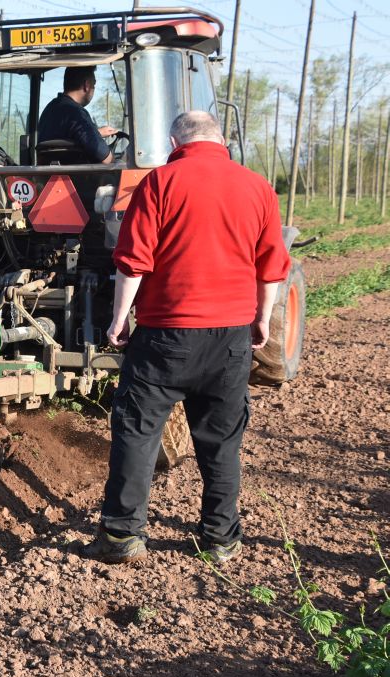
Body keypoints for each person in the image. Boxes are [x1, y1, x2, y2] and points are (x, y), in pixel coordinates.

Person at [82, 111, 290, 565]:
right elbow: (272, 265)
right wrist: (263, 319)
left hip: (163, 339)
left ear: (175, 139)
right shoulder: (258, 188)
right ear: (223, 139)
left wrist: (119, 319)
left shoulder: (158, 184)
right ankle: (219, 540)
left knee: (137, 434)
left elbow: (133, 261)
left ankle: (121, 537)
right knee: (221, 441)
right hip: (230, 339)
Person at [37, 65, 119, 163]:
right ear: (87, 85)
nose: (94, 88)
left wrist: (96, 133)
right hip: (79, 177)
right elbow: (106, 159)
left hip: (46, 176)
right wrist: (118, 162)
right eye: (94, 84)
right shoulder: (77, 114)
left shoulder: (50, 109)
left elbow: (66, 138)